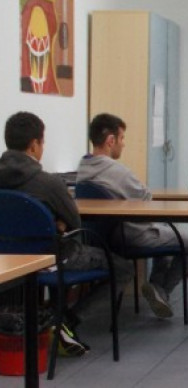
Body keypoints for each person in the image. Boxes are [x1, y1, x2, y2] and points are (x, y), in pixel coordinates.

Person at [0, 112, 133, 356]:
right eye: (42, 143)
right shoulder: (47, 183)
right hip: (52, 258)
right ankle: (66, 320)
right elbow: (74, 223)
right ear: (34, 145)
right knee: (123, 268)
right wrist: (57, 224)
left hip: (8, 263)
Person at [76, 113, 188, 319]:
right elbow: (146, 198)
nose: (123, 144)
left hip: (101, 238)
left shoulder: (83, 168)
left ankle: (157, 287)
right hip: (129, 234)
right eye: (122, 139)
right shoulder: (118, 171)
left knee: (165, 235)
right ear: (110, 141)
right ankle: (161, 288)